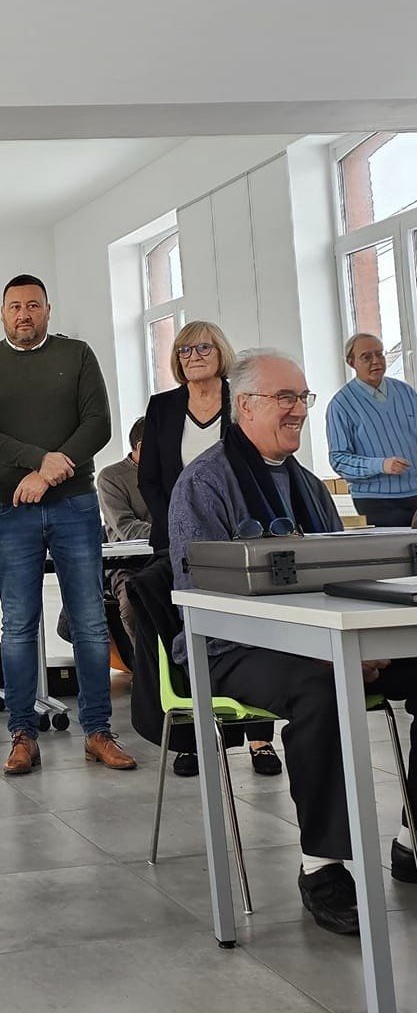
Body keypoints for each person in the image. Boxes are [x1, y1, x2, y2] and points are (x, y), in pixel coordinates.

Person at [169, 348, 417, 933]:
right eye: (287, 398)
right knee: (321, 684)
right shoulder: (203, 484)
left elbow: (340, 577)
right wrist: (330, 648)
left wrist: (364, 640)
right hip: (230, 650)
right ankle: (323, 865)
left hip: (327, 638)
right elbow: (201, 596)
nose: (300, 411)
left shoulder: (308, 485)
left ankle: (411, 835)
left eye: (303, 398)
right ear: (245, 405)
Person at [0, 273, 136, 774]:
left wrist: (53, 472)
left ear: (47, 310)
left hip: (75, 505)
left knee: (89, 620)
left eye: (33, 305)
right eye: (14, 306)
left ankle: (98, 732)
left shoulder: (77, 356)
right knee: (18, 625)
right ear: (2, 313)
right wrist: (41, 463)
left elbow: (97, 424)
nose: (24, 314)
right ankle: (22, 733)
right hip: (12, 507)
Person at [137, 320, 281, 778]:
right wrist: (176, 529)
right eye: (184, 350)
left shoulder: (241, 402)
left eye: (203, 347)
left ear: (220, 352)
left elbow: (258, 464)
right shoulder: (163, 407)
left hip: (242, 538)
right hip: (178, 543)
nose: (193, 356)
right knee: (187, 636)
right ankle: (193, 740)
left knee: (253, 633)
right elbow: (152, 479)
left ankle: (260, 738)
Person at [326, 331, 417, 527]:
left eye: (379, 354)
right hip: (376, 501)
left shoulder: (406, 392)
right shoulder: (341, 405)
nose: (376, 361)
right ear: (351, 362)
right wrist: (381, 465)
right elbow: (339, 460)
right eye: (366, 356)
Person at [95, 416, 150, 650]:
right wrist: (174, 530)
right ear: (141, 448)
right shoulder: (112, 478)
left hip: (170, 557)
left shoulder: (175, 470)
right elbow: (127, 528)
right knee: (132, 604)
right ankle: (149, 673)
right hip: (130, 564)